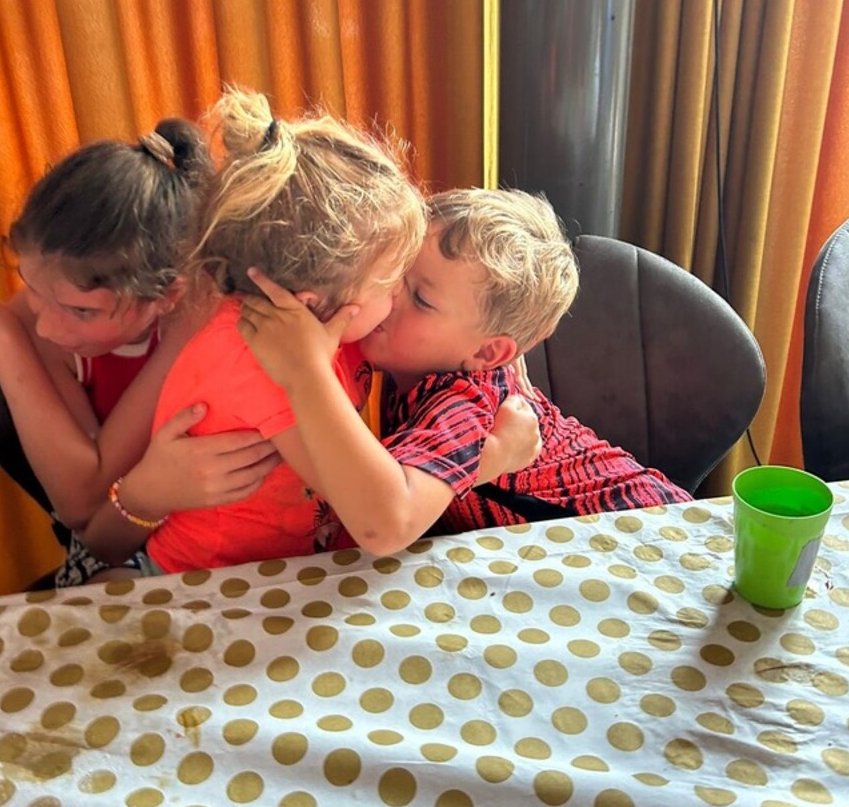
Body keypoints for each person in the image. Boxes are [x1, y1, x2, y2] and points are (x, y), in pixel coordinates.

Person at [80, 90, 540, 573]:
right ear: (311, 305)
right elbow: (380, 519)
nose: (397, 301)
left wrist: (498, 344)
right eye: (393, 282)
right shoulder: (265, 361)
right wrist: (490, 457)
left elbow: (437, 264)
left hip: (294, 565)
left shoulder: (328, 310)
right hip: (212, 581)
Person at [0, 121, 278, 585]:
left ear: (168, 295)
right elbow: (79, 504)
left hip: (238, 529)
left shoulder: (206, 308)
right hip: (130, 544)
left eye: (81, 311)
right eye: (32, 287)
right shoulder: (35, 327)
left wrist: (181, 338)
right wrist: (2, 331)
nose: (48, 326)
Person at [236, 186, 692, 555]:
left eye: (421, 298)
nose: (389, 294)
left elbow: (385, 525)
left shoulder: (462, 398)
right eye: (396, 270)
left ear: (488, 352)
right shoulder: (427, 349)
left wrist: (307, 370)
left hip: (642, 538)